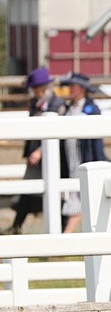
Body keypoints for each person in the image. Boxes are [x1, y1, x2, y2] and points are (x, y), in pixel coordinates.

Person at [5, 68, 65, 234]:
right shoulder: (36, 103)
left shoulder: (56, 105)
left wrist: (40, 151)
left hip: (51, 156)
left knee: (56, 194)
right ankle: (17, 226)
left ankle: (59, 229)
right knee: (28, 191)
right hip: (35, 155)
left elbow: (57, 133)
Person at [57, 73, 109, 233]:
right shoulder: (66, 108)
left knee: (81, 194)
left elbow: (96, 141)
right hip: (69, 155)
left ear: (82, 89)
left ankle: (66, 236)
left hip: (85, 156)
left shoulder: (91, 108)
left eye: (74, 86)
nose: (71, 89)